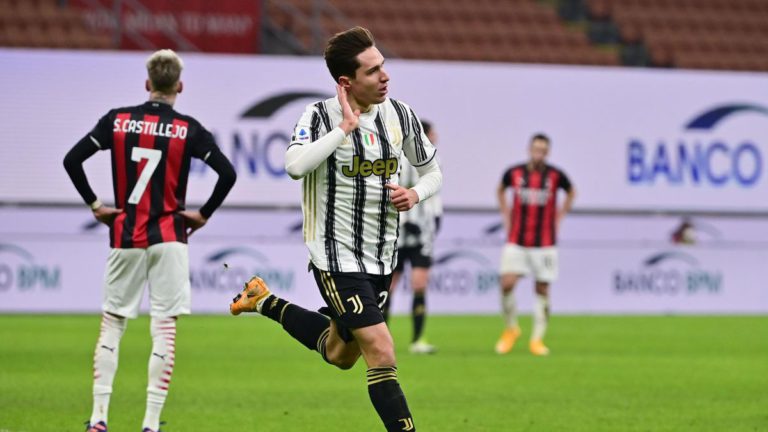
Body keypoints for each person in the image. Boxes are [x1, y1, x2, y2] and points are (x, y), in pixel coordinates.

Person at [230, 27, 441, 432]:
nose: (385, 76)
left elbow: (433, 172)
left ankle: (264, 301)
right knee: (381, 349)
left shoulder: (401, 115)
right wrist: (344, 128)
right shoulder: (318, 116)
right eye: (373, 71)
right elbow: (294, 167)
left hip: (381, 254)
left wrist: (415, 194)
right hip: (334, 254)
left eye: (383, 66)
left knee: (341, 355)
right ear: (347, 82)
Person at [63, 49, 237, 432]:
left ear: (147, 84)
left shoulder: (118, 120)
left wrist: (96, 206)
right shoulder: (189, 129)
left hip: (126, 232)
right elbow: (227, 173)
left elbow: (72, 160)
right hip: (171, 235)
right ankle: (151, 423)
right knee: (164, 327)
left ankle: (98, 419)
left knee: (112, 324)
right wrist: (202, 215)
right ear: (179, 86)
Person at [495, 133, 575, 356]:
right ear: (529, 149)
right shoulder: (515, 173)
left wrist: (561, 215)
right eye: (536, 149)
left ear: (547, 152)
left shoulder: (556, 175)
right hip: (517, 239)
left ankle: (537, 339)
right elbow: (500, 189)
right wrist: (505, 213)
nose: (539, 153)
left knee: (542, 288)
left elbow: (572, 191)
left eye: (543, 150)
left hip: (545, 242)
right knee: (507, 283)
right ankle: (511, 328)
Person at [383, 120, 442, 354]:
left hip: (422, 236)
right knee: (388, 287)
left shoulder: (434, 161)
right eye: (431, 133)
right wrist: (405, 222)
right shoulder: (400, 159)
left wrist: (436, 219)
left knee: (419, 284)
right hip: (397, 235)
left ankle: (418, 340)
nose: (435, 136)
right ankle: (381, 340)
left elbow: (435, 195)